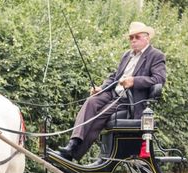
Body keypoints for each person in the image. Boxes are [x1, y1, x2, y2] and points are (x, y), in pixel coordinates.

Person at [59, 21, 166, 161]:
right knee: (91, 101)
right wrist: (101, 88)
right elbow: (115, 77)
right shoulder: (127, 55)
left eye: (137, 37)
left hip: (129, 100)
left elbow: (159, 79)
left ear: (147, 37)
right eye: (131, 37)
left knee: (98, 118)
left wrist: (134, 81)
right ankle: (73, 143)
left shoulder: (156, 55)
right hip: (113, 93)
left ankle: (73, 154)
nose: (133, 40)